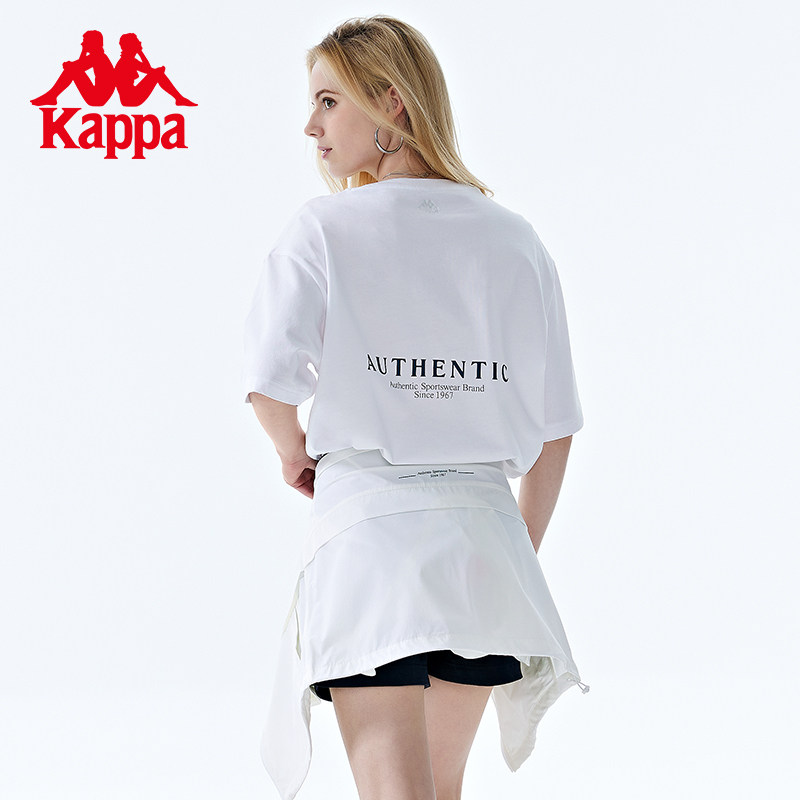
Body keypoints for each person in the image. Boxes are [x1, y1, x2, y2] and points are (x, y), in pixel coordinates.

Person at [242, 15, 588, 800]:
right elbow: (556, 428)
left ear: (391, 102)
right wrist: (514, 550)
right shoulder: (515, 240)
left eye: (328, 101)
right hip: (481, 551)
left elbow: (269, 381)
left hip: (371, 547)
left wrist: (292, 452)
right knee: (440, 789)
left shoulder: (325, 229)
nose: (310, 126)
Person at [30, 30, 115, 107]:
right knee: (72, 69)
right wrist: (82, 53)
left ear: (92, 43)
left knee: (71, 69)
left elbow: (78, 66)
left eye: (85, 41)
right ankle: (51, 96)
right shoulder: (99, 56)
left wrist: (70, 64)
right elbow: (80, 65)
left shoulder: (98, 57)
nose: (82, 43)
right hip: (98, 98)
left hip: (97, 99)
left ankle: (51, 96)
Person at [113, 33, 197, 107]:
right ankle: (179, 99)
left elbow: (148, 69)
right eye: (137, 41)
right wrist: (140, 52)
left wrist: (140, 52)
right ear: (132, 45)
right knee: (158, 73)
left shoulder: (128, 60)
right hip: (131, 99)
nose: (140, 42)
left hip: (129, 99)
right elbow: (149, 70)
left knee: (158, 73)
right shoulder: (127, 61)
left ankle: (179, 99)